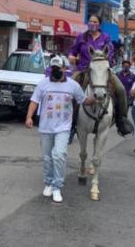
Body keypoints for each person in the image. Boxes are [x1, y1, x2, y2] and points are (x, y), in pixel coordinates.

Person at [26, 55, 94, 203]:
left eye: (58, 68)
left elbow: (83, 100)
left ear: (65, 69)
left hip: (63, 127)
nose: (55, 71)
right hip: (45, 127)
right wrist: (29, 117)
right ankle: (48, 183)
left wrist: (96, 98)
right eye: (53, 68)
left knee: (59, 155)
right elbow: (34, 101)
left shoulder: (73, 85)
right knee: (47, 158)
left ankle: (57, 187)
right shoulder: (43, 84)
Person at [68, 14, 133, 137]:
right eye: (90, 21)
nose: (92, 23)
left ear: (99, 24)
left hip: (102, 70)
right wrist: (71, 56)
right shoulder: (82, 37)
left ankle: (121, 120)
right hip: (83, 69)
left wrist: (101, 59)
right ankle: (70, 123)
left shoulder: (106, 37)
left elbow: (110, 52)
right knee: (69, 91)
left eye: (95, 21)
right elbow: (73, 51)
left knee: (121, 89)